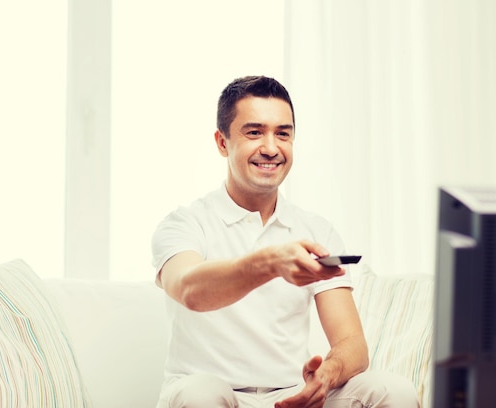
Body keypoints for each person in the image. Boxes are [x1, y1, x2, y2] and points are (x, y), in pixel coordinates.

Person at [151, 75, 419, 408]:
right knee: (200, 395)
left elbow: (352, 343)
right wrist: (271, 262)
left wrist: (325, 376)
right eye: (254, 132)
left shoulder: (316, 229)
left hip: (290, 395)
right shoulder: (184, 223)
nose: (271, 148)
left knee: (393, 391)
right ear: (222, 142)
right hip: (211, 395)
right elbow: (190, 290)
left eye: (283, 134)